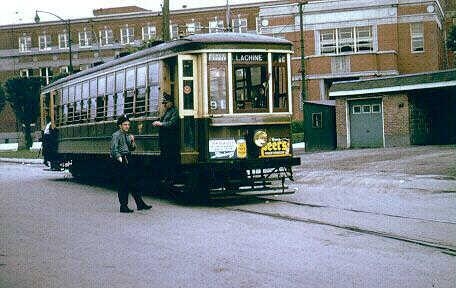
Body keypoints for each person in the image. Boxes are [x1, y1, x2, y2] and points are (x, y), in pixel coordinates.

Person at [111, 115, 152, 213]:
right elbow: (113, 148)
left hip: (128, 158)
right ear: (120, 126)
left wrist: (132, 141)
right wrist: (119, 158)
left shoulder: (127, 135)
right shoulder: (116, 135)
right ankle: (123, 206)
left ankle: (140, 204)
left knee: (133, 182)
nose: (127, 126)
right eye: (125, 125)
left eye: (128, 125)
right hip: (121, 160)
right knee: (123, 184)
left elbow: (132, 148)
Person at [153, 92, 179, 183]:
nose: (165, 105)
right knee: (165, 160)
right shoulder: (167, 112)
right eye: (164, 103)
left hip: (171, 141)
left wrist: (160, 124)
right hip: (165, 141)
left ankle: (172, 178)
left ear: (171, 102)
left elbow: (172, 123)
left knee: (170, 160)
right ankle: (167, 177)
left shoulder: (174, 111)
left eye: (166, 103)